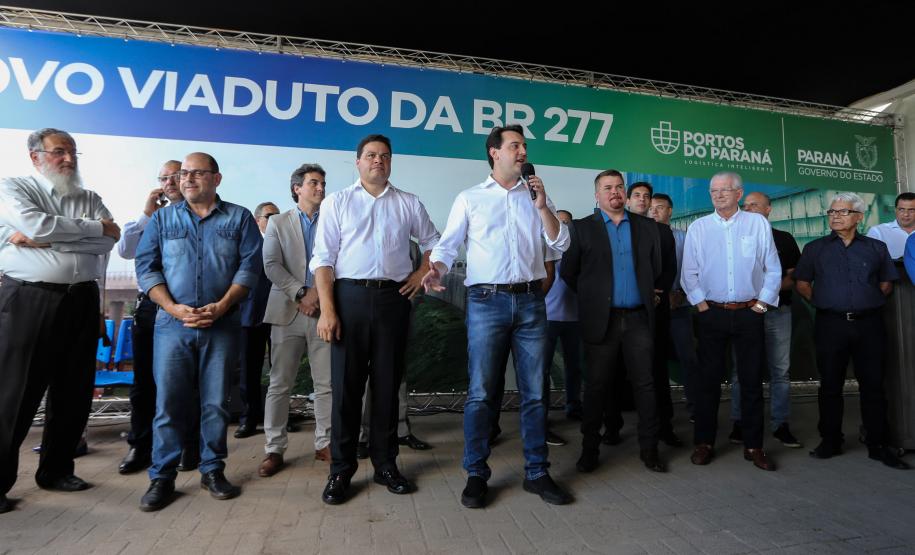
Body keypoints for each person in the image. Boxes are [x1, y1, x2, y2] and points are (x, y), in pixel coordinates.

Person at [424, 125, 572, 508]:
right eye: (515, 145)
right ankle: (476, 473)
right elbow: (449, 242)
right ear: (494, 153)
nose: (522, 151)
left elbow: (560, 242)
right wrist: (436, 268)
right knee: (481, 393)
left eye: (524, 146)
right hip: (486, 301)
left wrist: (541, 206)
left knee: (536, 393)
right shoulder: (470, 198)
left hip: (530, 302)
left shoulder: (536, 194)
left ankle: (537, 473)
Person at [311, 135, 439, 505]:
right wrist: (329, 310)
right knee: (346, 390)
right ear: (358, 162)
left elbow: (434, 241)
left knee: (386, 387)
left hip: (393, 299)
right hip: (348, 298)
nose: (378, 161)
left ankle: (386, 465)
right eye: (371, 155)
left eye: (384, 156)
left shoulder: (408, 202)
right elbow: (323, 260)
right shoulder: (338, 202)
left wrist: (421, 272)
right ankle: (341, 471)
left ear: (391, 163)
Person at [0, 128, 120, 513]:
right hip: (28, 299)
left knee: (73, 391)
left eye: (72, 152)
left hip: (81, 300)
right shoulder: (14, 188)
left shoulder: (90, 197)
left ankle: (56, 470)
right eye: (58, 152)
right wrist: (87, 231)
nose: (68, 159)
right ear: (36, 157)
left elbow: (109, 239)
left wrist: (52, 236)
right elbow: (37, 226)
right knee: (14, 395)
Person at [135, 152, 263, 511]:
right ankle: (162, 476)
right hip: (172, 327)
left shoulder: (238, 218)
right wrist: (173, 307)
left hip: (221, 326)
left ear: (216, 179)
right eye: (184, 173)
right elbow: (146, 269)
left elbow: (250, 269)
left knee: (215, 404)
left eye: (197, 173)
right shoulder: (161, 219)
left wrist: (222, 306)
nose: (187, 179)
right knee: (169, 405)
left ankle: (212, 470)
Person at [560, 170, 666, 474]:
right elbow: (569, 272)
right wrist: (593, 297)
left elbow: (655, 267)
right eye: (607, 188)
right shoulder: (581, 228)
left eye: (619, 186)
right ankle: (590, 450)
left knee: (645, 385)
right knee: (596, 387)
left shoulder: (647, 228)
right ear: (597, 195)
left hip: (638, 320)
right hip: (601, 321)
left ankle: (650, 450)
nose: (615, 192)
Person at [796, 192, 909, 470]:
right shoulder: (815, 248)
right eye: (832, 211)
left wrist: (863, 302)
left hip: (869, 324)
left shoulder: (875, 248)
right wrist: (825, 302)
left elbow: (886, 284)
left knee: (873, 385)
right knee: (830, 385)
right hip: (830, 324)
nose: (835, 215)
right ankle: (830, 440)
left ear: (858, 217)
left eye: (843, 211)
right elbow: (802, 283)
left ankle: (878, 444)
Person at [680, 171, 781, 471]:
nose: (719, 195)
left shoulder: (757, 224)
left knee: (751, 382)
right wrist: (702, 306)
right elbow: (689, 272)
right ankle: (704, 443)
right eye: (714, 190)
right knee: (707, 383)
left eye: (725, 190)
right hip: (712, 314)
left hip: (750, 313)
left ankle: (754, 446)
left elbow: (773, 269)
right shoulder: (699, 227)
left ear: (740, 193)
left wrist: (761, 305)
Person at [117, 161, 202, 474]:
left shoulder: (201, 215)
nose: (169, 182)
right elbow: (126, 251)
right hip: (152, 308)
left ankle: (188, 446)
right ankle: (141, 447)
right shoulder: (151, 217)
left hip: (186, 306)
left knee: (188, 382)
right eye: (163, 178)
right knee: (143, 384)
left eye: (175, 176)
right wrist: (146, 213)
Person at [259, 164, 332, 476]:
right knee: (279, 383)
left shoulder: (334, 219)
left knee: (326, 383)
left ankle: (325, 443)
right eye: (313, 183)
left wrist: (320, 297)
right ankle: (274, 448)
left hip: (324, 313)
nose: (320, 188)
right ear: (297, 189)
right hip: (288, 311)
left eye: (322, 183)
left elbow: (338, 261)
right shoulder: (278, 221)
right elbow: (271, 265)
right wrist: (302, 293)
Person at [728, 192, 803, 448]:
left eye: (754, 205)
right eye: (745, 205)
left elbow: (794, 277)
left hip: (776, 312)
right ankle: (740, 422)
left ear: (769, 210)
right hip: (743, 314)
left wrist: (764, 295)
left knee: (779, 371)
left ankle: (780, 424)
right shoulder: (733, 238)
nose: (748, 209)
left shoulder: (784, 238)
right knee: (740, 372)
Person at [625, 182, 681, 447]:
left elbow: (670, 268)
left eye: (646, 196)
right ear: (627, 200)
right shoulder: (617, 228)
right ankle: (615, 426)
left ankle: (664, 426)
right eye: (637, 195)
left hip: (656, 310)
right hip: (624, 311)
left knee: (657, 369)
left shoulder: (662, 232)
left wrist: (657, 291)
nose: (643, 200)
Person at [649, 194, 700, 420]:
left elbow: (695, 269)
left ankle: (695, 407)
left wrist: (680, 294)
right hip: (650, 310)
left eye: (660, 208)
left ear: (670, 211)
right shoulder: (641, 237)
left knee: (688, 358)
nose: (654, 212)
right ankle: (656, 410)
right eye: (651, 208)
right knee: (651, 362)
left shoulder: (684, 237)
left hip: (679, 307)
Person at [233, 202, 279, 439]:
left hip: (281, 315)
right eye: (270, 215)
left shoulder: (286, 242)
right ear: (257, 219)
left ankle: (280, 417)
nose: (274, 220)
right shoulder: (246, 243)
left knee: (280, 370)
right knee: (249, 371)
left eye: (277, 216)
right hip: (251, 314)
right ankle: (249, 418)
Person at [865, 192, 915, 259]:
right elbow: (867, 260)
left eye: (911, 210)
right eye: (901, 209)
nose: (906, 214)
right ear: (895, 210)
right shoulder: (878, 232)